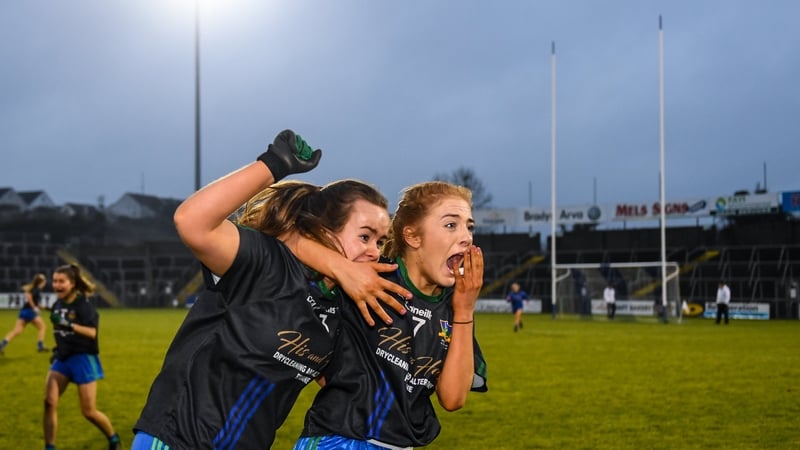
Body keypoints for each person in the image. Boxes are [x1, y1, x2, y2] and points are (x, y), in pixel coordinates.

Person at [132, 129, 411, 450]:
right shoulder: (266, 262)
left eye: (380, 241)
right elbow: (191, 221)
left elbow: (346, 381)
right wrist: (273, 164)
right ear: (322, 229)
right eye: (365, 236)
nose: (375, 251)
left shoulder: (338, 308)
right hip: (177, 439)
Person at [293, 180, 488, 449]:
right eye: (451, 224)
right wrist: (338, 267)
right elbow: (294, 245)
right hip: (338, 439)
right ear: (413, 236)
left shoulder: (453, 306)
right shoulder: (370, 274)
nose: (466, 236)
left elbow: (453, 399)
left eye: (469, 226)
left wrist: (465, 310)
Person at [44, 264, 121, 450]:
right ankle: (49, 447)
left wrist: (67, 324)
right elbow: (60, 332)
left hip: (83, 359)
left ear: (72, 284)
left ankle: (113, 438)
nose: (57, 285)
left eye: (61, 281)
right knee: (49, 402)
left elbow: (92, 332)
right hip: (62, 359)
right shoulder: (58, 304)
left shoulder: (83, 305)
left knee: (88, 412)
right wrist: (58, 350)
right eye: (54, 281)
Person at [0, 272, 49, 355]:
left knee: (17, 331)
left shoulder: (34, 288)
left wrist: (46, 308)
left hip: (24, 311)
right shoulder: (36, 289)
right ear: (42, 282)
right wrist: (34, 308)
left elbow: (35, 302)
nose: (45, 283)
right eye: (44, 281)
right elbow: (29, 296)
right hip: (30, 311)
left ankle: (2, 344)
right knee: (42, 327)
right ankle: (40, 346)